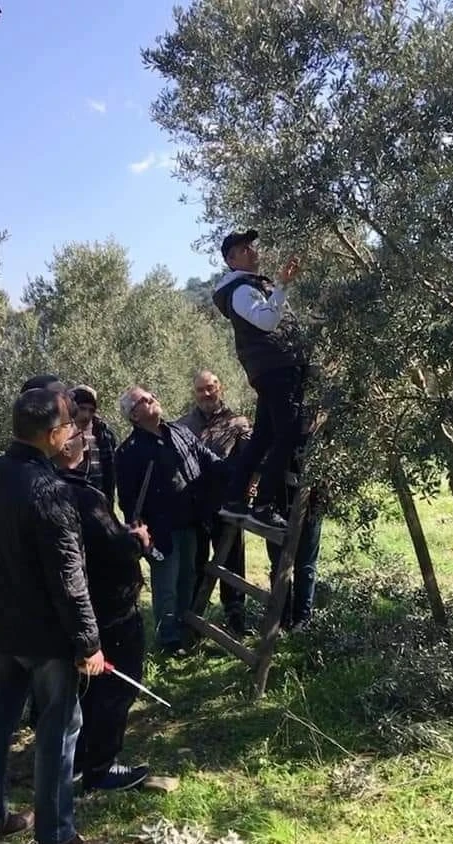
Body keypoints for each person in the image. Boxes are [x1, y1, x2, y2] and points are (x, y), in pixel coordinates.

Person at [0, 389, 106, 844]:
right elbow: (70, 577)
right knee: (60, 728)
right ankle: (57, 836)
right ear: (52, 435)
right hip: (43, 634)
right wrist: (89, 642)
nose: (73, 433)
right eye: (68, 425)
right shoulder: (51, 491)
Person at [55, 423, 150, 791]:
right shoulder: (84, 497)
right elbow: (113, 548)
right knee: (115, 688)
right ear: (66, 449)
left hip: (68, 610)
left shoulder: (38, 487)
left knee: (82, 689)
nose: (87, 444)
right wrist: (136, 540)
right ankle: (101, 766)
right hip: (108, 611)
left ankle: (77, 758)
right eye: (81, 439)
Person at [115, 386, 224, 655]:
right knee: (166, 585)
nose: (152, 399)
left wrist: (243, 467)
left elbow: (210, 461)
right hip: (160, 530)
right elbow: (128, 500)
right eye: (143, 400)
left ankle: (186, 629)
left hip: (192, 520)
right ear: (134, 415)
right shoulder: (128, 451)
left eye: (151, 395)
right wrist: (141, 534)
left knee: (189, 577)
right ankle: (168, 640)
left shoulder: (180, 432)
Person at [213, 228, 306, 529]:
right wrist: (283, 286)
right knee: (288, 434)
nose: (252, 251)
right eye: (243, 249)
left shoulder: (249, 286)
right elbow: (267, 322)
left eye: (251, 245)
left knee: (265, 435)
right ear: (230, 259)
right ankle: (264, 503)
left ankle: (234, 499)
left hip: (272, 369)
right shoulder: (240, 290)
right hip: (276, 369)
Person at [178, 371, 251, 635]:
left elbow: (251, 465)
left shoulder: (238, 424)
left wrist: (248, 493)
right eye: (200, 390)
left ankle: (235, 618)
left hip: (227, 508)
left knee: (232, 564)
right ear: (194, 393)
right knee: (195, 564)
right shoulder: (183, 426)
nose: (206, 394)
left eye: (210, 388)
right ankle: (193, 621)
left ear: (221, 388)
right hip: (195, 508)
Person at [266, 488, 324, 633]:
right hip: (278, 505)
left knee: (305, 566)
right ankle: (279, 619)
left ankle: (301, 620)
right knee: (279, 565)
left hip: (312, 504)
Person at [70, 385, 118, 507]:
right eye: (82, 408)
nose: (86, 415)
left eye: (91, 410)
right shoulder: (60, 436)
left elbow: (109, 475)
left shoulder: (104, 436)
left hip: (99, 505)